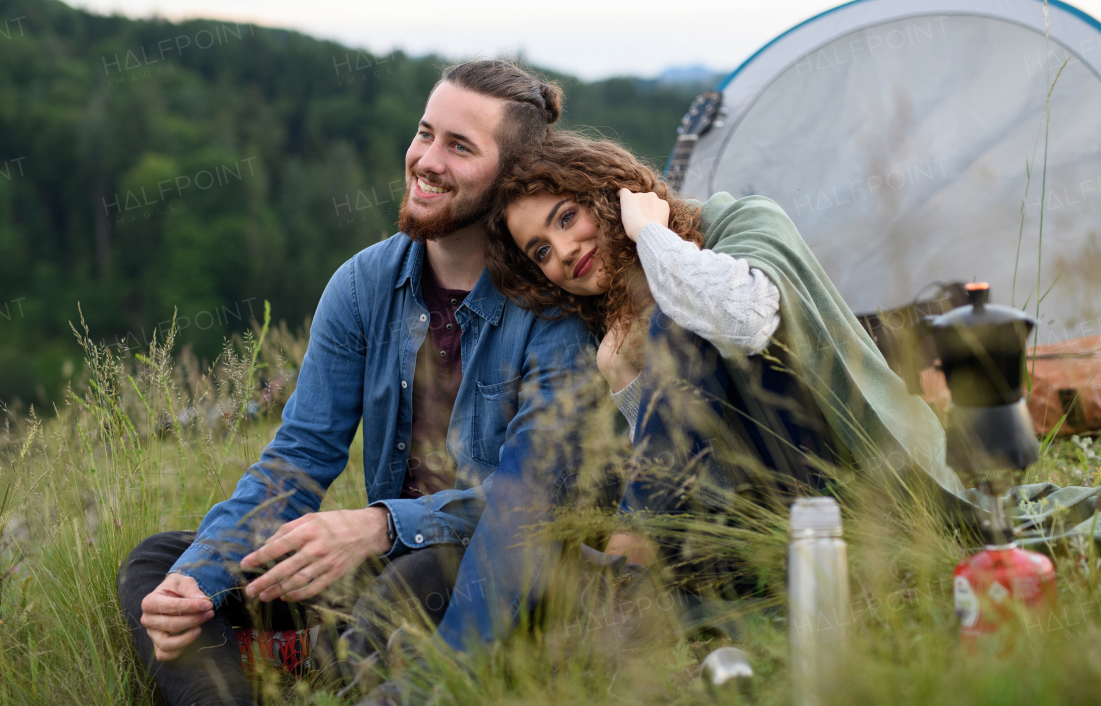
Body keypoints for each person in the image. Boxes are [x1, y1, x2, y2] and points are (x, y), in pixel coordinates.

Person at [117, 61, 595, 706]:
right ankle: (276, 680)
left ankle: (332, 662)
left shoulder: (551, 310)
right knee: (159, 566)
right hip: (385, 557)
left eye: (459, 147)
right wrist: (199, 581)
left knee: (409, 584)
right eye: (425, 133)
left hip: (499, 566)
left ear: (511, 178)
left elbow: (535, 501)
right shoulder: (362, 285)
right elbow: (298, 459)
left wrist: (381, 526)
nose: (427, 160)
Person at [484, 131, 959, 570]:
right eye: (541, 252)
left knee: (679, 316)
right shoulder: (610, 335)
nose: (564, 250)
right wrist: (624, 379)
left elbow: (743, 318)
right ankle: (627, 572)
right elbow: (712, 489)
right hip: (772, 528)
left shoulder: (745, 219)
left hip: (867, 484)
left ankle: (628, 560)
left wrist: (652, 235)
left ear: (611, 193)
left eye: (567, 217)